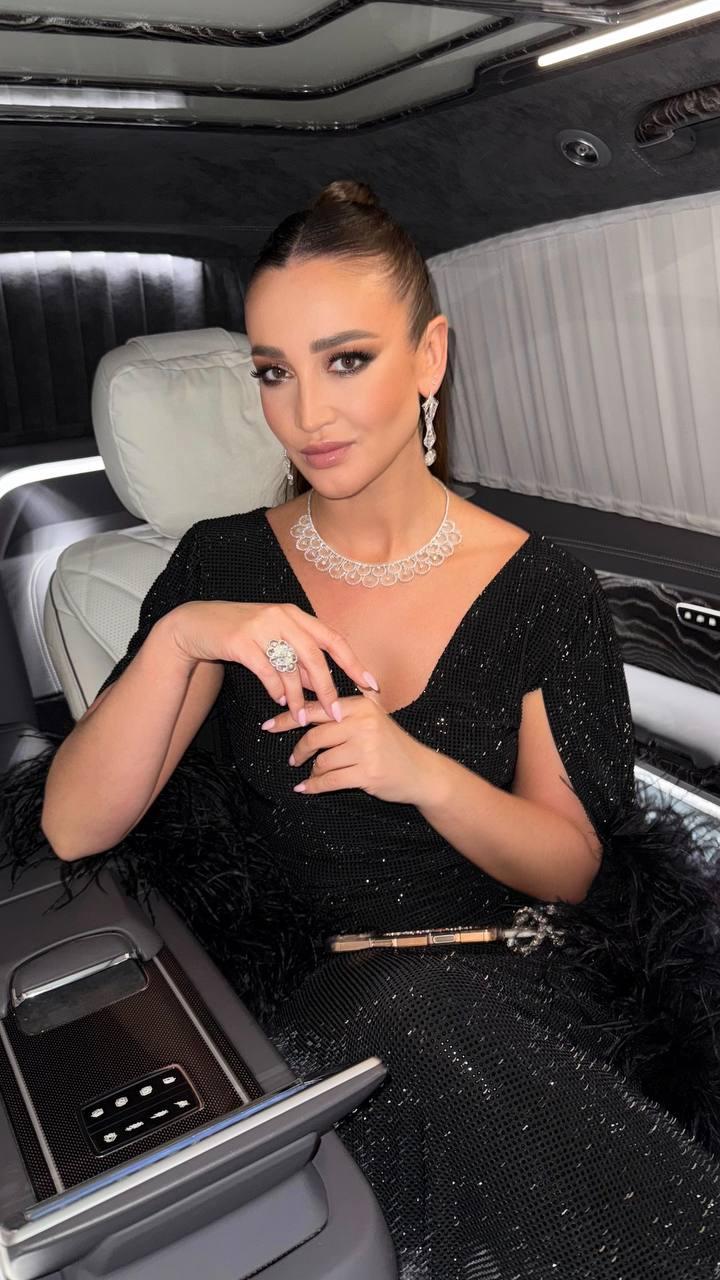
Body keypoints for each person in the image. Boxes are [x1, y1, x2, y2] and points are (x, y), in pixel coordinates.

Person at [4, 180, 720, 1278]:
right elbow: (73, 825)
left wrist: (418, 770)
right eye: (274, 372)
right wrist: (186, 635)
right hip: (315, 1006)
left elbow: (574, 865)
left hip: (523, 995)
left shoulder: (545, 588)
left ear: (429, 357)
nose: (306, 414)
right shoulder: (220, 566)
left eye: (346, 361)